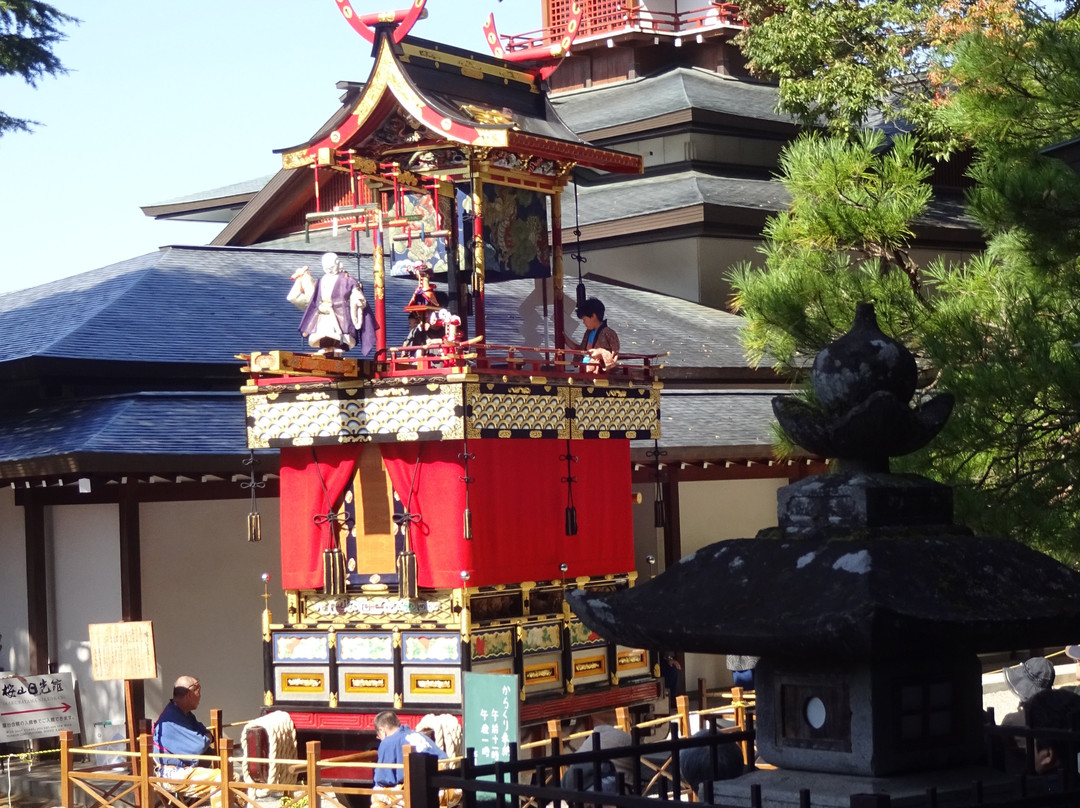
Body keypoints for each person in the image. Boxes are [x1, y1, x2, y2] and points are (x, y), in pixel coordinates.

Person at [152, 675, 222, 808]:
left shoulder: (184, 714)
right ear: (190, 693)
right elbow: (200, 745)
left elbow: (202, 731)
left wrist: (205, 736)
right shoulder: (171, 718)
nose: (200, 696)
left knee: (231, 778)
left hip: (185, 769)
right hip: (171, 774)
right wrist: (207, 737)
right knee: (224, 779)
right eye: (198, 692)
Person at [287, 252, 375, 355]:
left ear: (337, 263)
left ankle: (338, 347)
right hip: (324, 311)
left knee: (339, 334)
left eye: (331, 266)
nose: (329, 269)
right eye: (326, 267)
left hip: (341, 313)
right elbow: (314, 296)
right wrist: (305, 278)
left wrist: (358, 300)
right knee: (323, 333)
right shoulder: (322, 280)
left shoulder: (347, 280)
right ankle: (326, 348)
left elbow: (356, 292)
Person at [372, 710, 447, 788]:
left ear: (382, 730)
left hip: (424, 787)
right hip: (445, 780)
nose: (380, 739)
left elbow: (383, 778)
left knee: (377, 795)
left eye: (378, 736)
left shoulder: (387, 742)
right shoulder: (417, 734)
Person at [566, 297, 619, 373]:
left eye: (584, 319)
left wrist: (600, 352)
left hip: (598, 373)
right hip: (584, 369)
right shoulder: (588, 333)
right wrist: (564, 338)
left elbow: (614, 356)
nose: (583, 322)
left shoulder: (609, 333)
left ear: (593, 316)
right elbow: (581, 350)